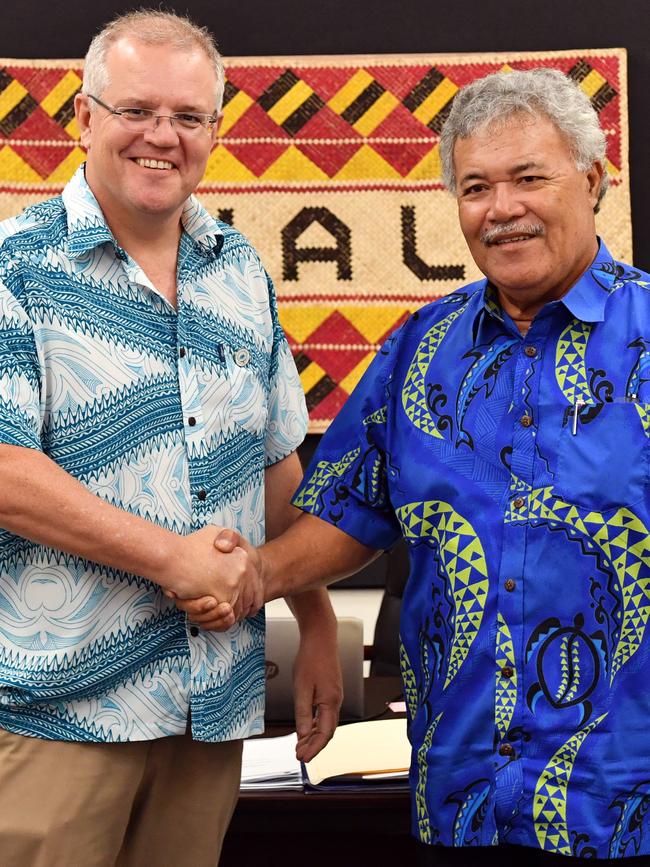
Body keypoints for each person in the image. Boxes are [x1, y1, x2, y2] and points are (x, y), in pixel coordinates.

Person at [182, 68, 650, 864]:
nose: (501, 209)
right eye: (475, 188)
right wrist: (255, 574)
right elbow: (348, 513)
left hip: (623, 799)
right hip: (461, 794)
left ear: (594, 180)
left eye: (528, 178)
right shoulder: (419, 348)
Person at [0, 9, 342, 867]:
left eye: (188, 118)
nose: (163, 136)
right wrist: (174, 558)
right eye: (137, 110)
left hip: (210, 709)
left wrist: (316, 619)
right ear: (84, 117)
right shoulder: (14, 268)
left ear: (215, 131)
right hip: (60, 716)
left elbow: (273, 461)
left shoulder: (240, 271)